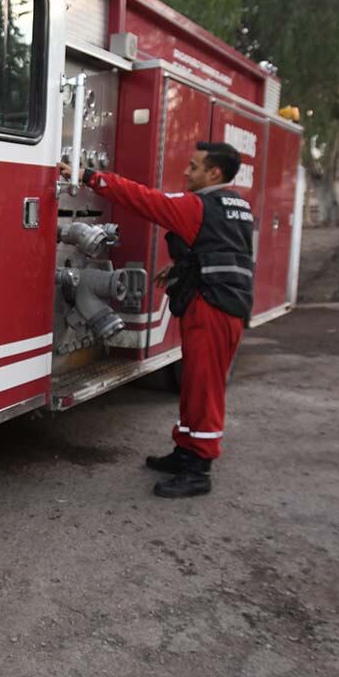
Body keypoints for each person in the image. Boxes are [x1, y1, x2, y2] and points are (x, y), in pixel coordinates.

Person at [58, 142, 255, 498]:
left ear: (214, 173)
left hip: (212, 306)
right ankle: (185, 452)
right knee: (195, 383)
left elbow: (145, 200)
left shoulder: (199, 206)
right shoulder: (236, 205)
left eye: (194, 167)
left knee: (205, 389)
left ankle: (199, 470)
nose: (186, 172)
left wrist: (91, 178)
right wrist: (182, 267)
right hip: (221, 301)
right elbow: (224, 248)